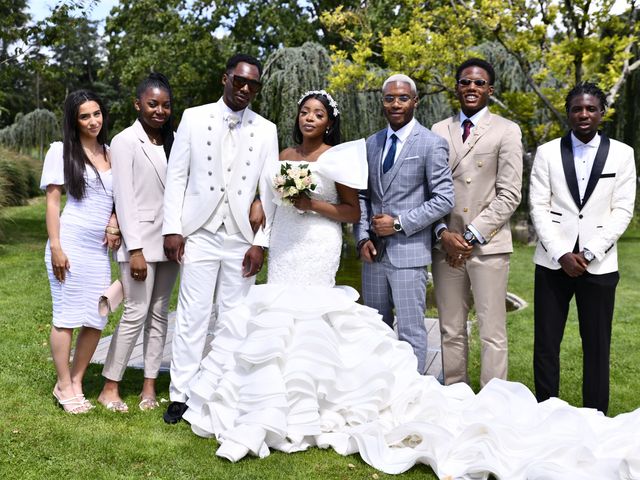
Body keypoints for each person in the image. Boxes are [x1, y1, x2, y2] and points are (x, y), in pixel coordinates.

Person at [182, 90, 640, 479]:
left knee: (392, 329)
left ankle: (397, 401)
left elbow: (372, 202)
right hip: (292, 245)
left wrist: (337, 212)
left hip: (355, 246)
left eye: (318, 114)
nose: (309, 119)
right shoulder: (314, 150)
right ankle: (278, 402)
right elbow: (334, 202)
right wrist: (276, 222)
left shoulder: (378, 148)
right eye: (305, 113)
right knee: (297, 325)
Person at [161, 53, 278, 424]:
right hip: (199, 233)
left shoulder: (267, 129)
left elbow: (270, 193)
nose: (245, 88)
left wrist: (262, 241)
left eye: (253, 85)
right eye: (239, 81)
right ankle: (180, 394)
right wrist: (173, 228)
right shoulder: (194, 118)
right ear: (224, 79)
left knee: (234, 318)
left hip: (242, 238)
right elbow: (176, 176)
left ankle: (224, 391)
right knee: (192, 317)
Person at [530, 82, 636, 414]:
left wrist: (589, 253)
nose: (584, 114)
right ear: (569, 113)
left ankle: (595, 417)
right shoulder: (547, 153)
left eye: (591, 108)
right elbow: (537, 206)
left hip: (599, 266)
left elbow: (622, 210)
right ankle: (546, 412)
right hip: (552, 263)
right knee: (546, 344)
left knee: (597, 346)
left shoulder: (622, 153)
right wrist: (561, 253)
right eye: (577, 108)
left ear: (602, 112)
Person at [431, 58, 523, 387]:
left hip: (488, 245)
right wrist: (443, 234)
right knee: (450, 329)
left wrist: (469, 236)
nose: (472, 88)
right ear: (456, 87)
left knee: (492, 332)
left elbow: (510, 194)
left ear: (490, 90)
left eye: (479, 83)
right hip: (446, 248)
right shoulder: (438, 130)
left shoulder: (507, 130)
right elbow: (429, 189)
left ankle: (493, 401)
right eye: (465, 82)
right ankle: (455, 396)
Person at [354, 73, 455, 373]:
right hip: (373, 255)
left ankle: (411, 397)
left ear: (415, 101)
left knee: (411, 333)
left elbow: (444, 199)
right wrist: (362, 238)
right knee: (374, 329)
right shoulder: (371, 144)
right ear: (382, 102)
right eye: (389, 98)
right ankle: (379, 393)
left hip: (409, 253)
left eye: (402, 98)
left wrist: (398, 224)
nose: (396, 104)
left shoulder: (431, 144)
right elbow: (363, 196)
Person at [97, 73, 180, 413]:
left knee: (160, 314)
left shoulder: (174, 140)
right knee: (135, 312)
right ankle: (110, 385)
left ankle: (149, 386)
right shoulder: (125, 141)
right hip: (139, 243)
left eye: (165, 105)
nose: (159, 111)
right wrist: (134, 250)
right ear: (137, 104)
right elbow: (125, 199)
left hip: (171, 242)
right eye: (152, 104)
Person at [42, 90, 120, 414]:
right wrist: (57, 247)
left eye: (97, 114)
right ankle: (63, 385)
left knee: (96, 317)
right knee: (66, 317)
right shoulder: (61, 152)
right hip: (70, 243)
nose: (93, 121)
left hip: (97, 250)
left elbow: (119, 197)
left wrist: (114, 220)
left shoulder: (112, 152)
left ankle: (76, 380)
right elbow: (52, 201)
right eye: (85, 116)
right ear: (74, 120)